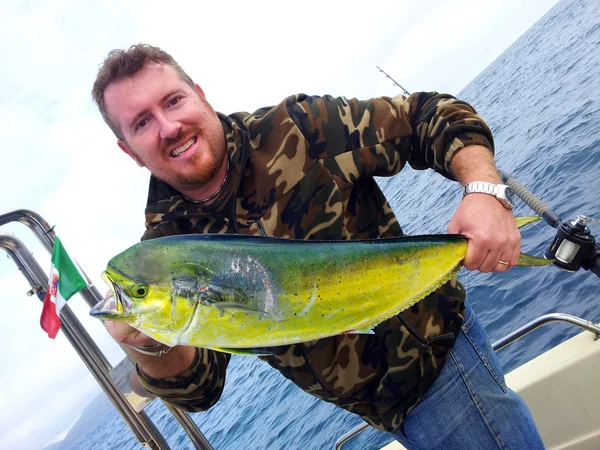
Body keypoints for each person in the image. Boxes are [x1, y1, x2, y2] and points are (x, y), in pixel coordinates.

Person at [92, 44, 543, 449]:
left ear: (201, 94)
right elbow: (200, 390)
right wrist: (145, 346)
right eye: (142, 122)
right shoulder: (159, 253)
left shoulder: (298, 129)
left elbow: (428, 115)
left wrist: (484, 190)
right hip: (376, 411)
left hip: (441, 370)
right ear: (128, 150)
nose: (168, 126)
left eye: (173, 101)